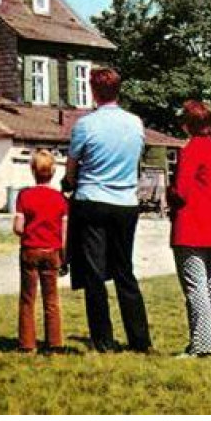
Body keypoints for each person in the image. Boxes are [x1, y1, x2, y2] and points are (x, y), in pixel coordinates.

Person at [65, 67, 152, 353]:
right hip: (125, 202)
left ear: (93, 91)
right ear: (118, 90)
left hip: (92, 200)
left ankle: (103, 340)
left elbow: (72, 169)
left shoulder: (85, 126)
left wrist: (69, 183)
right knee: (125, 271)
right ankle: (140, 340)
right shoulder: (135, 123)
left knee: (94, 274)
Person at [168, 100, 211, 358]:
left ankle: (202, 343)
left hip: (192, 227)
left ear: (188, 125)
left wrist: (169, 194)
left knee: (195, 286)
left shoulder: (192, 150)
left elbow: (181, 192)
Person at [13, 148, 69, 354]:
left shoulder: (24, 195)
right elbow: (64, 234)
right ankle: (55, 343)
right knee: (51, 298)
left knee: (28, 298)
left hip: (30, 249)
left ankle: (27, 343)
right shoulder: (61, 199)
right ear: (54, 171)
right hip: (52, 251)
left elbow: (18, 227)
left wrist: (28, 232)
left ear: (32, 170)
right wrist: (64, 257)